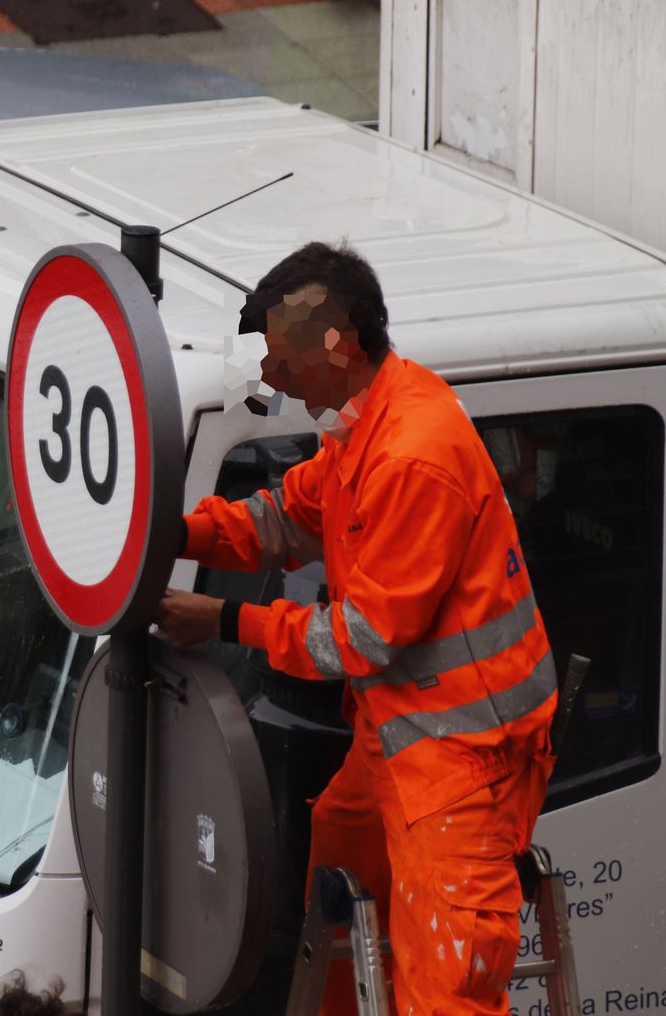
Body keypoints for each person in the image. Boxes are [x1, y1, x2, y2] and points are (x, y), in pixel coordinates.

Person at [155, 241, 557, 1015]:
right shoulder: (362, 426)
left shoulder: (411, 453)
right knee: (339, 852)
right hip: (404, 738)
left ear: (335, 348)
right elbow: (286, 517)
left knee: (447, 989)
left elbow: (363, 639)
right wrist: (178, 536)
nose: (271, 379)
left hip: (465, 767)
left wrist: (226, 618)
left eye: (281, 360)